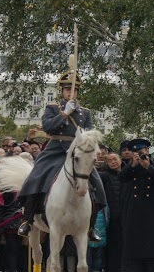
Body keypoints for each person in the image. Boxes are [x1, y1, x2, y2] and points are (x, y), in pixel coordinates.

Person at [16, 70, 106, 241]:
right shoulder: (52, 108)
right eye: (67, 90)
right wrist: (64, 114)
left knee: (98, 185)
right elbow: (48, 127)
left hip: (77, 151)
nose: (71, 93)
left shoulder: (85, 112)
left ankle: (91, 227)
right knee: (36, 177)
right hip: (56, 148)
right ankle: (27, 220)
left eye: (74, 91)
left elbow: (89, 133)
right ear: (62, 91)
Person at [119, 139, 154, 272]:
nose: (142, 154)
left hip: (153, 208)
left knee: (153, 242)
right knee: (134, 242)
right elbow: (121, 178)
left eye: (144, 151)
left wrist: (149, 168)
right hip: (134, 208)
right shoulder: (130, 166)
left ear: (148, 150)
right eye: (138, 152)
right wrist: (132, 164)